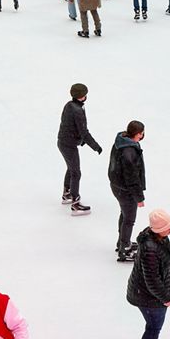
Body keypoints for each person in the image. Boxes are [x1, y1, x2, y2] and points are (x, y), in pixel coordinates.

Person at [127, 209, 170, 339]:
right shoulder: (151, 248)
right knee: (154, 326)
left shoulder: (159, 239)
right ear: (157, 229)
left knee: (155, 325)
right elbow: (152, 280)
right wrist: (165, 298)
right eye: (168, 227)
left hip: (150, 294)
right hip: (149, 297)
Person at [58, 83, 102, 213]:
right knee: (76, 173)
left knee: (71, 169)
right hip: (69, 145)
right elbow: (84, 132)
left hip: (63, 142)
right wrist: (95, 146)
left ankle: (67, 193)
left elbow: (70, 126)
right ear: (82, 96)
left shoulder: (69, 105)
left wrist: (79, 140)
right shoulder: (78, 110)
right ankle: (75, 203)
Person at [109, 120, 147, 262]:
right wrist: (139, 197)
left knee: (125, 215)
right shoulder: (129, 152)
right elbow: (132, 178)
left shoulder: (121, 142)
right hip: (125, 190)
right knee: (129, 219)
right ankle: (124, 248)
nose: (142, 136)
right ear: (137, 134)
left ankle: (122, 242)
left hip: (117, 186)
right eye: (141, 133)